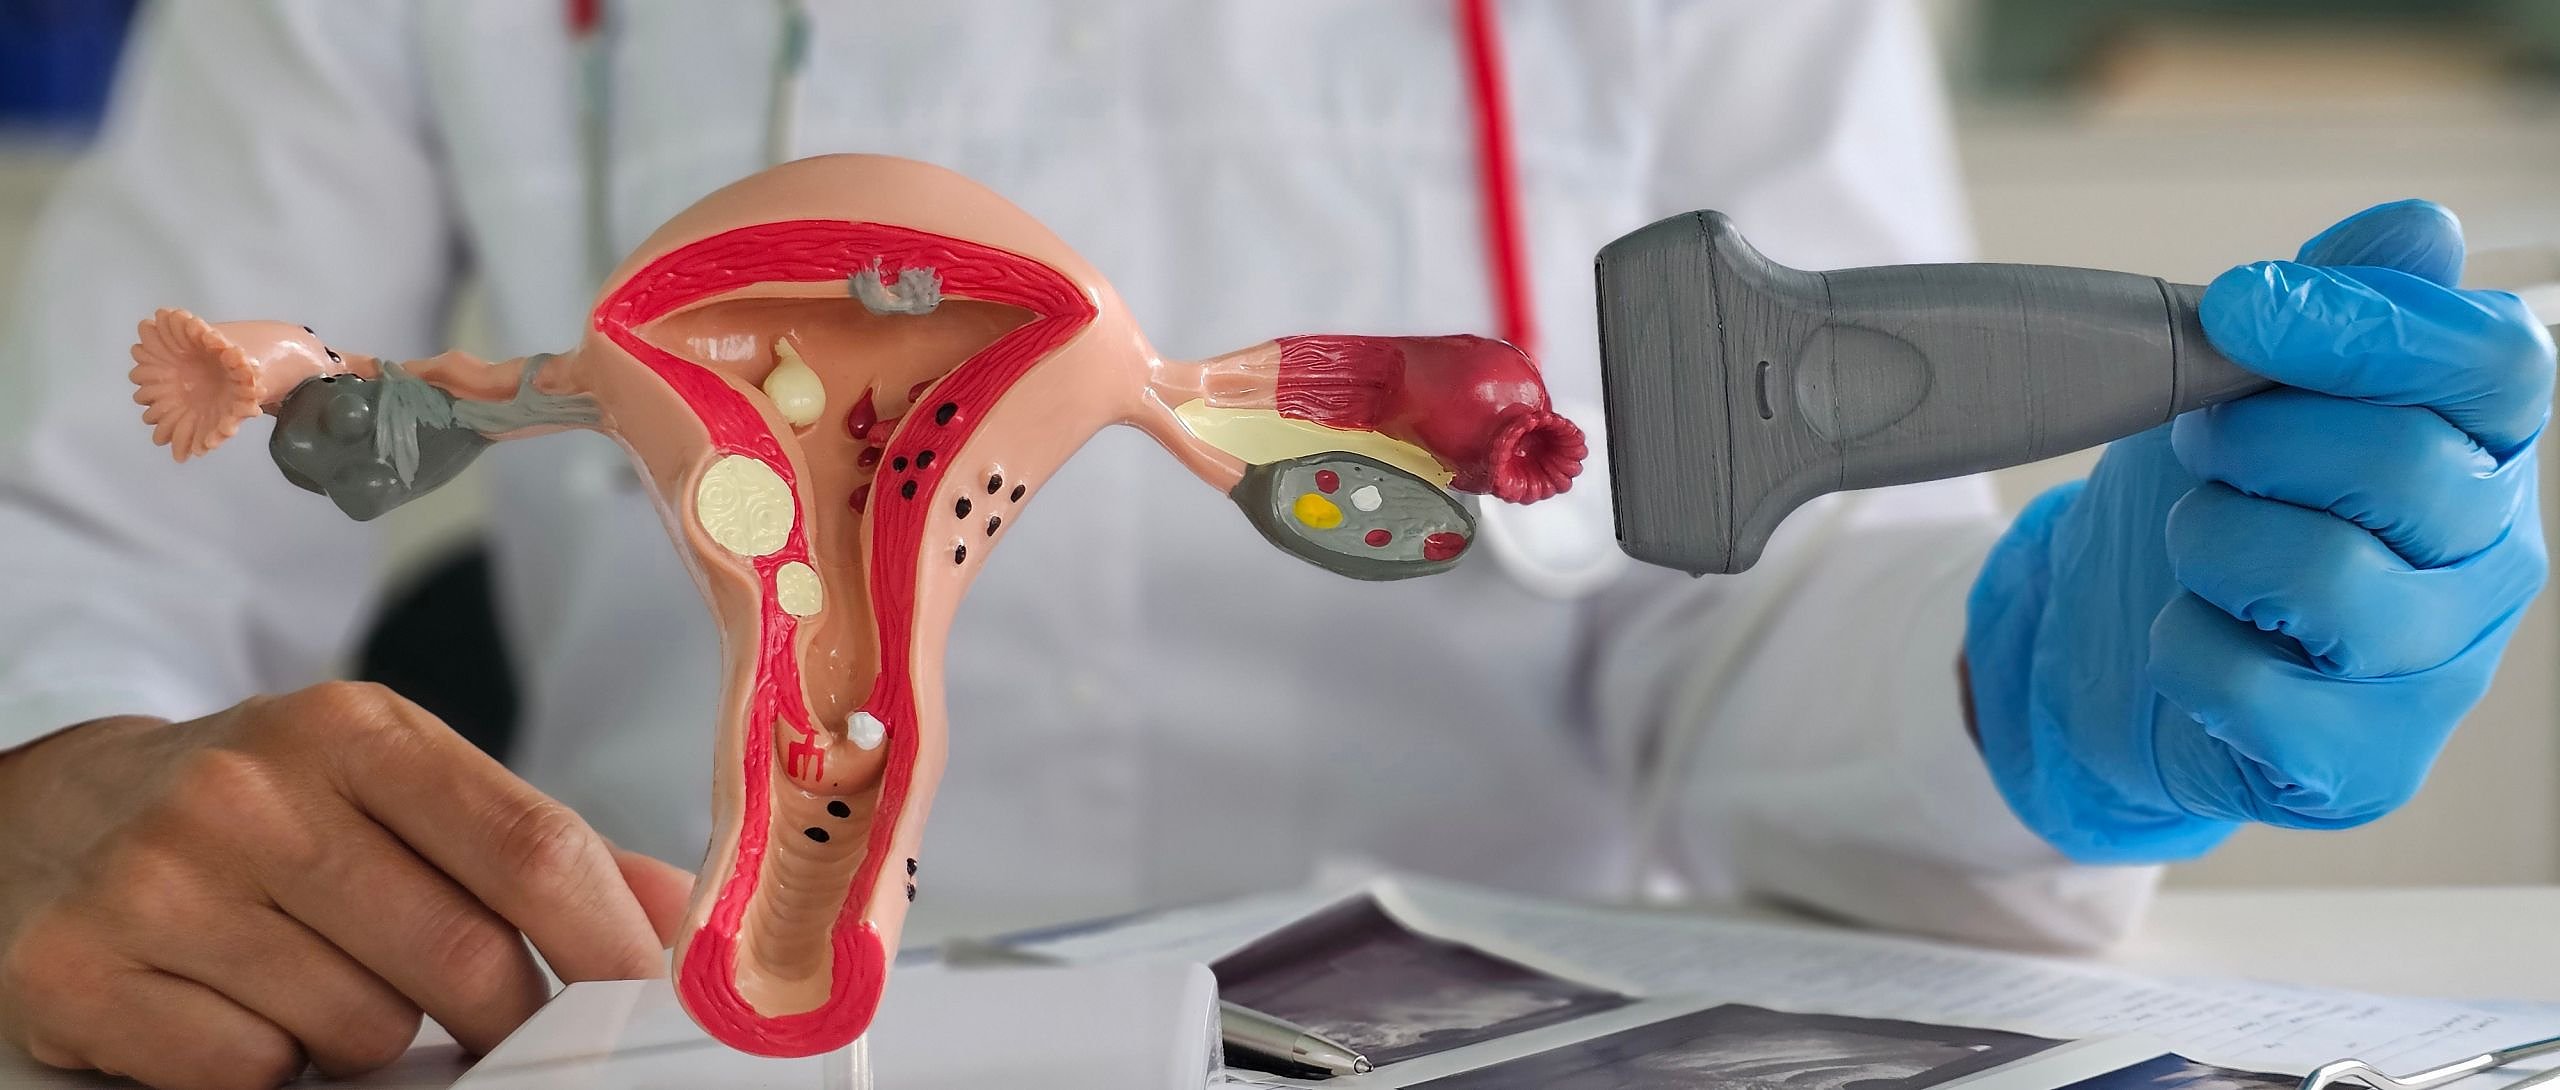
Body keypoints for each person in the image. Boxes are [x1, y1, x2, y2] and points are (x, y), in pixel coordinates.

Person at [0, 2, 2543, 1088]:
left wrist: (2013, 688)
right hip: (639, 1018)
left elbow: (1741, 575)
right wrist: (51, 770)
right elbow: (92, 514)